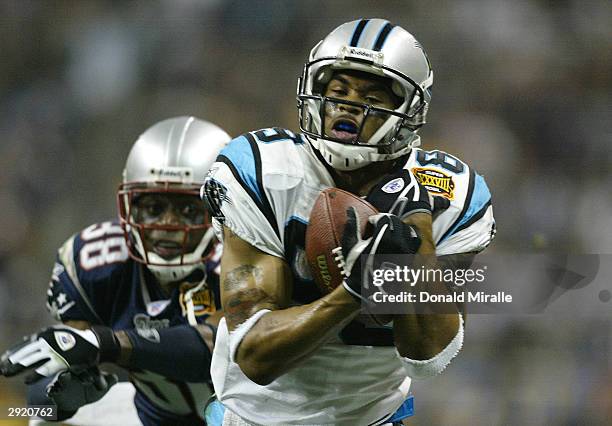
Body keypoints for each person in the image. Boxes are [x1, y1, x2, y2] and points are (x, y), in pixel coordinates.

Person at [201, 18, 495, 425]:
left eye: (372, 96)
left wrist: (416, 240)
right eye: (337, 91)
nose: (347, 106)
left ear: (410, 111)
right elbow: (255, 354)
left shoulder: (451, 193)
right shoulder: (263, 171)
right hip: (251, 418)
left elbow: (429, 356)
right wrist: (354, 291)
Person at [0, 116, 231, 425]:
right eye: (153, 208)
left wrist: (107, 344)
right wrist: (63, 394)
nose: (166, 226)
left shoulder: (243, 255)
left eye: (188, 210)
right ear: (129, 205)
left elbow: (217, 352)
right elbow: (41, 400)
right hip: (150, 414)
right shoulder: (95, 261)